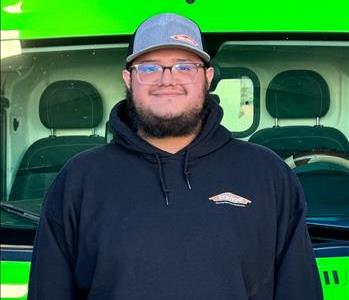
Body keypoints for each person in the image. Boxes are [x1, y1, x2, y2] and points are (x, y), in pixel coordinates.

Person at [28, 13, 323, 300]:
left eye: (184, 66)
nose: (167, 80)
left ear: (207, 77)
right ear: (128, 79)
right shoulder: (79, 179)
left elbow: (298, 289)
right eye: (149, 67)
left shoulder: (267, 173)